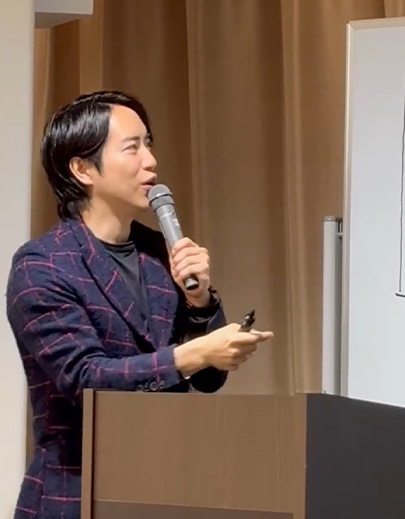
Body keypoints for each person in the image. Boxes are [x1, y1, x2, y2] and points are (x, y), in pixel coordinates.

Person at [6, 90, 273, 519]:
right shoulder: (43, 264)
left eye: (149, 144)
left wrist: (200, 300)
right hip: (76, 494)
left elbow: (209, 380)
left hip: (164, 488)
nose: (151, 161)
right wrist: (194, 353)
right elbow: (86, 379)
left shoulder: (158, 252)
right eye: (132, 148)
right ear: (82, 168)